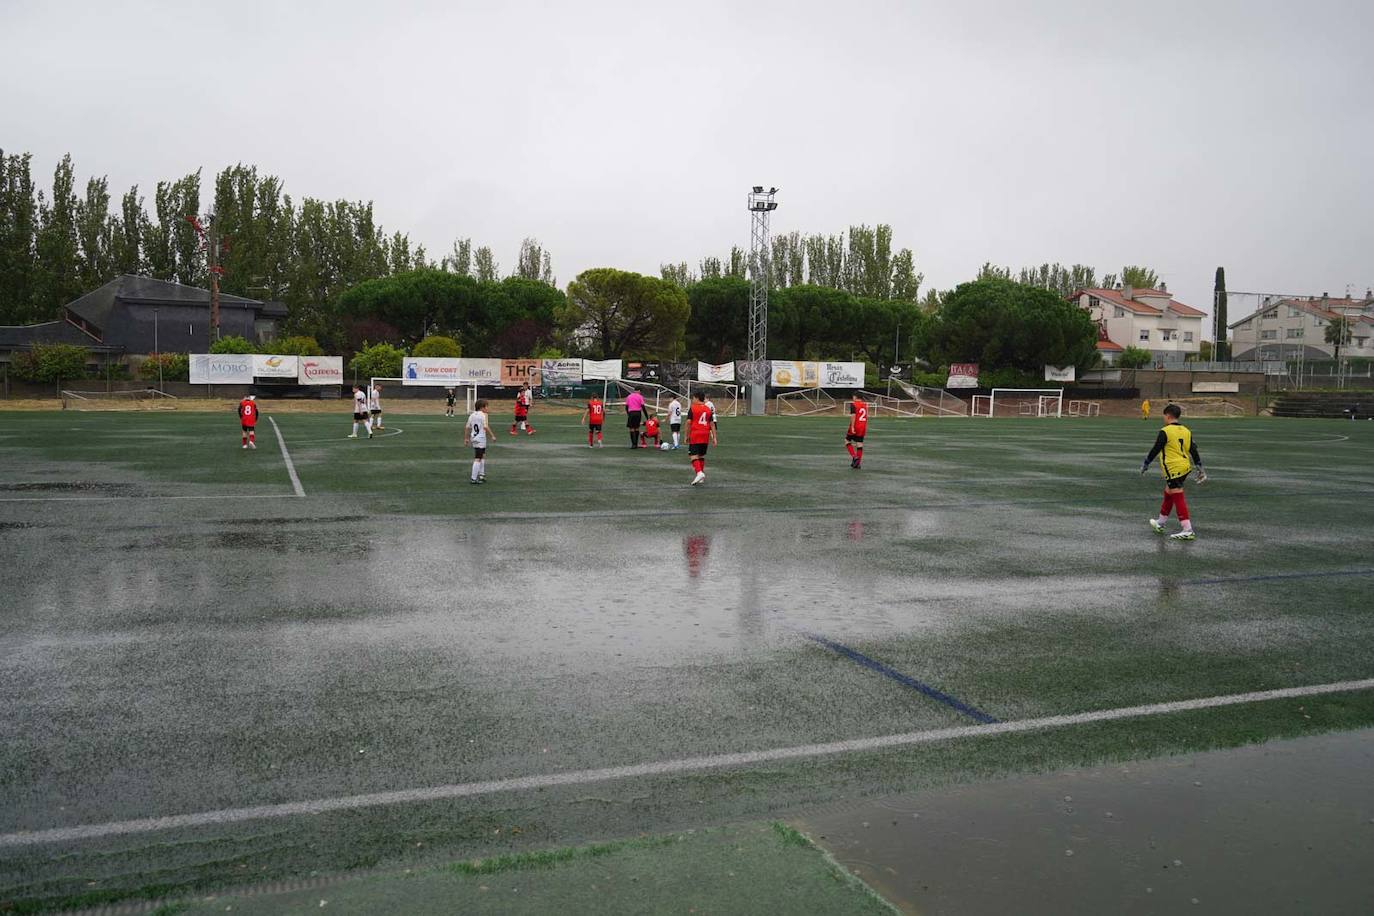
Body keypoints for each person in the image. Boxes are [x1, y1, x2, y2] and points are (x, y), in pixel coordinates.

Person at [1141, 403, 1206, 541]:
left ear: (1168, 415)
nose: (1163, 418)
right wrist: (1200, 467)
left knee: (1177, 496)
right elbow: (1193, 450)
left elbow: (1156, 448)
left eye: (1163, 416)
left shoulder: (1165, 431)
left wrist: (1146, 463)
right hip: (1184, 467)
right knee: (1169, 492)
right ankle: (1160, 522)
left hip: (1173, 468)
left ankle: (1187, 529)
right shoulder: (1186, 430)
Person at [687, 391, 718, 485]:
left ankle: (699, 473)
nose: (692, 400)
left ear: (696, 398)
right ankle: (701, 477)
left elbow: (688, 422)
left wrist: (686, 435)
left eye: (693, 398)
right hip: (705, 434)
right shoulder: (708, 409)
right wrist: (715, 438)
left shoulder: (692, 408)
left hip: (695, 434)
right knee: (700, 455)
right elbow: (712, 425)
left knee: (693, 456)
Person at [464, 398, 492, 484]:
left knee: (482, 455)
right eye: (486, 406)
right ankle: (473, 478)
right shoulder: (483, 415)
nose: (488, 408)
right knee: (478, 458)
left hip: (474, 438)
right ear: (482, 407)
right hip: (480, 439)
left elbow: (467, 427)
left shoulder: (472, 415)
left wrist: (466, 438)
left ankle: (481, 475)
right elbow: (485, 427)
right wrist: (492, 435)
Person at [846, 396, 869, 469]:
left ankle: (854, 457)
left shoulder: (854, 404)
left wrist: (852, 427)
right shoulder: (864, 405)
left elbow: (853, 416)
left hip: (856, 425)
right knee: (859, 444)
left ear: (855, 397)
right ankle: (858, 464)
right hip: (863, 426)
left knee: (847, 441)